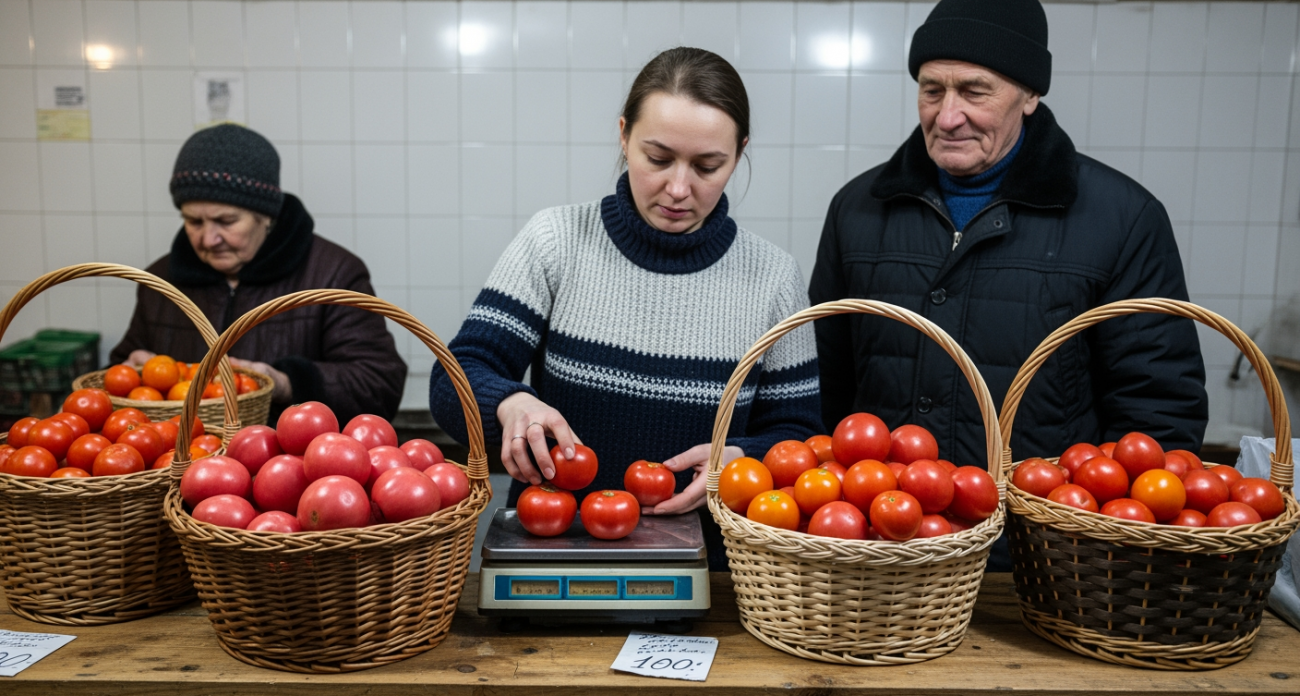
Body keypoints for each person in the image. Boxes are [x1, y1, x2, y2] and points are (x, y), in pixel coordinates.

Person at [429, 47, 822, 567]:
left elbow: (799, 436)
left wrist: (743, 459)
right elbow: (452, 378)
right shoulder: (556, 241)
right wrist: (509, 403)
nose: (678, 189)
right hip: (555, 554)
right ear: (623, 136)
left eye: (708, 165)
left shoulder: (774, 277)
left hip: (718, 576)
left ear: (740, 152)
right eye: (657, 159)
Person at [810, 0, 1208, 480]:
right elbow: (821, 387)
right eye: (932, 90)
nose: (948, 116)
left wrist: (1095, 534)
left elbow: (1157, 412)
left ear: (1030, 93)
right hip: (888, 533)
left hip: (1042, 541)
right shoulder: (857, 208)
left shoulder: (1124, 218)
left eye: (975, 92)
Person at [111, 124, 407, 425]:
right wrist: (133, 373)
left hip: (291, 463)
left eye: (226, 221)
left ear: (266, 216)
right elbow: (116, 380)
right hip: (182, 464)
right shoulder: (161, 280)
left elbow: (379, 385)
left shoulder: (335, 274)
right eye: (193, 221)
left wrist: (283, 383)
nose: (208, 239)